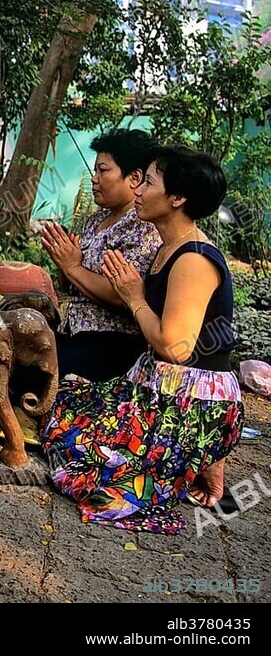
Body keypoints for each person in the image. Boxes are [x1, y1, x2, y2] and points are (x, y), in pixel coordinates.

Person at [41, 146, 243, 533]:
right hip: (156, 386)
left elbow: (174, 346)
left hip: (192, 401)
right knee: (63, 410)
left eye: (148, 181)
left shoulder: (193, 259)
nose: (137, 189)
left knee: (86, 462)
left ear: (177, 198)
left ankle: (203, 453)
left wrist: (134, 298)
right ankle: (197, 459)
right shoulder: (167, 247)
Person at [40, 129, 161, 381]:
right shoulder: (95, 220)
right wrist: (64, 263)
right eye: (95, 171)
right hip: (73, 333)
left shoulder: (143, 227)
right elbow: (70, 286)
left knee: (27, 369)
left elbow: (122, 295)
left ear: (134, 178)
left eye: (103, 171)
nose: (94, 179)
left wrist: (74, 267)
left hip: (111, 345)